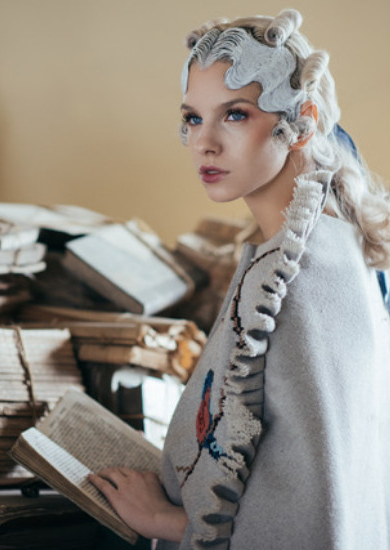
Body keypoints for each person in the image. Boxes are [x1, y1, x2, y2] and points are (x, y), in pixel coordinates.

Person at [89, 9, 390, 549]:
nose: (203, 143)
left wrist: (165, 521)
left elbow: (316, 520)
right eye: (191, 117)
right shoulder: (321, 245)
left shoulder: (302, 280)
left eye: (234, 115)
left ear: (300, 121)